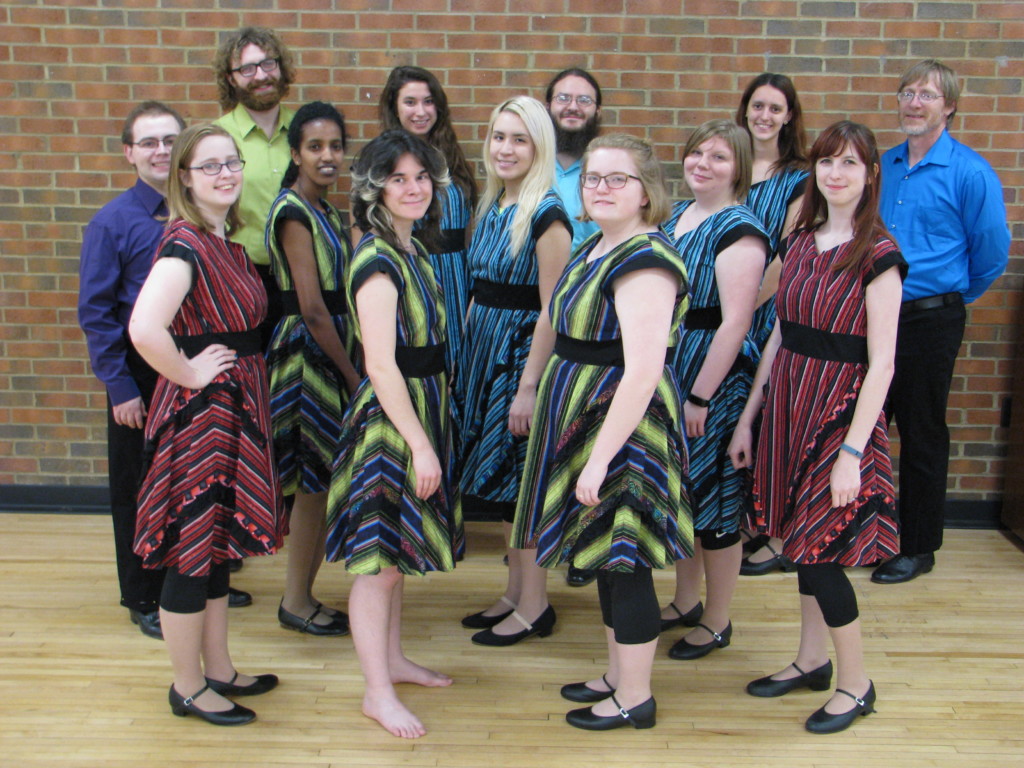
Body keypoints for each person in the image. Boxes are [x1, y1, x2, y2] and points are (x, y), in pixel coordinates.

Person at [510, 134, 692, 731]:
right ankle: (618, 675)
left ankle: (635, 696)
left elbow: (641, 372)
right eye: (593, 178)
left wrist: (599, 459)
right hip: (584, 416)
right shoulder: (597, 246)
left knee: (625, 560)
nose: (602, 188)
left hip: (623, 430)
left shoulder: (647, 261)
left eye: (619, 178)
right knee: (605, 557)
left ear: (647, 191)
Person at [729, 121, 905, 734]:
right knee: (798, 547)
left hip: (839, 416)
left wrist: (852, 453)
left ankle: (856, 684)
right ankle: (810, 660)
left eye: (849, 163)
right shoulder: (800, 241)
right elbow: (780, 333)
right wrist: (749, 418)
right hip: (788, 408)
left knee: (823, 553)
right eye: (826, 162)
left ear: (871, 174)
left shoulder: (879, 255)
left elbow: (883, 365)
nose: (835, 173)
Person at [129, 123, 284, 726]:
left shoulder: (226, 242)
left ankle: (218, 668)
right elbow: (144, 328)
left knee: (216, 548)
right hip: (204, 420)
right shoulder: (184, 246)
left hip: (236, 410)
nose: (225, 174)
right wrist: (190, 374)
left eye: (232, 162)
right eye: (209, 166)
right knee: (191, 553)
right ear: (185, 179)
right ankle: (188, 687)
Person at [324, 130, 462, 740]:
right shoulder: (377, 261)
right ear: (375, 189)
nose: (413, 188)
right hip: (391, 424)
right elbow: (380, 365)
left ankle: (394, 661)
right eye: (398, 179)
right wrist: (421, 444)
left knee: (396, 556)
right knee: (377, 564)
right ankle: (376, 692)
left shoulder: (413, 251)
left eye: (421, 177)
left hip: (420, 409)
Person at [872, 59, 1009, 585]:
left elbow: (991, 253)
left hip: (929, 320)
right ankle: (862, 534)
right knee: (865, 425)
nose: (914, 102)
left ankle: (917, 546)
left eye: (927, 95)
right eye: (907, 92)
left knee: (922, 431)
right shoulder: (883, 166)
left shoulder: (971, 172)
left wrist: (948, 296)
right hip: (873, 315)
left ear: (949, 106)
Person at [456, 96, 572, 646]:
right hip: (483, 357)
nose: (505, 148)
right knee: (504, 490)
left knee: (523, 486)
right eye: (499, 136)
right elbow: (480, 290)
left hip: (520, 361)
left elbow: (553, 310)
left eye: (519, 139)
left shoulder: (547, 214)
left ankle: (535, 605)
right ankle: (514, 592)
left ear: (539, 147)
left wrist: (528, 387)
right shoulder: (494, 203)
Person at [658, 120, 768, 660]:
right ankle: (686, 600)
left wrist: (700, 396)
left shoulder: (740, 230)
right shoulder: (677, 216)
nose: (703, 163)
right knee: (684, 496)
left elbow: (735, 322)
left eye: (719, 157)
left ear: (739, 168)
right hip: (673, 363)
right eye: (696, 152)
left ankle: (719, 619)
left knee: (718, 502)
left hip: (712, 377)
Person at [78, 101, 185, 639]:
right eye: (149, 142)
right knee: (138, 488)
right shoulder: (112, 223)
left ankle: (189, 585)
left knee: (188, 482)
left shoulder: (199, 212)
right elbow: (96, 314)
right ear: (129, 153)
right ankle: (142, 595)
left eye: (170, 140)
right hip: (138, 378)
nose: (161, 151)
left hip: (190, 368)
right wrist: (120, 388)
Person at [265, 102, 360, 637]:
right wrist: (352, 374)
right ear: (296, 153)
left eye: (335, 146)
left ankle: (303, 593)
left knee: (321, 483)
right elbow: (313, 308)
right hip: (308, 359)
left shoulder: (325, 209)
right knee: (309, 486)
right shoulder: (293, 212)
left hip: (331, 350)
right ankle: (295, 601)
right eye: (315, 147)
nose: (328, 156)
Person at [732, 72, 810, 576]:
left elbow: (787, 257)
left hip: (764, 314)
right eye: (757, 106)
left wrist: (742, 308)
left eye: (775, 108)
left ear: (788, 117)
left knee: (766, 418)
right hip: (722, 312)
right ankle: (741, 523)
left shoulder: (799, 178)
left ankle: (774, 532)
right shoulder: (731, 165)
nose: (764, 116)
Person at [545, 67, 604, 588]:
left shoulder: (604, 167)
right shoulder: (535, 162)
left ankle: (586, 548)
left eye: (583, 100)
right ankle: (544, 542)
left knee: (587, 432)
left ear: (596, 111)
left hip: (594, 314)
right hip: (539, 310)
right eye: (563, 98)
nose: (572, 107)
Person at [379, 65, 477, 374]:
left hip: (458, 279)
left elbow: (466, 229)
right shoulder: (382, 161)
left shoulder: (452, 157)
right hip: (416, 275)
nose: (421, 111)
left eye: (428, 101)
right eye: (410, 102)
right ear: (394, 107)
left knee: (458, 370)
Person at [213, 26, 297, 351]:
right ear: (231, 78)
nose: (261, 75)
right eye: (247, 68)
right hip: (240, 278)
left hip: (301, 277)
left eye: (268, 64)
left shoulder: (305, 129)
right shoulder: (217, 138)